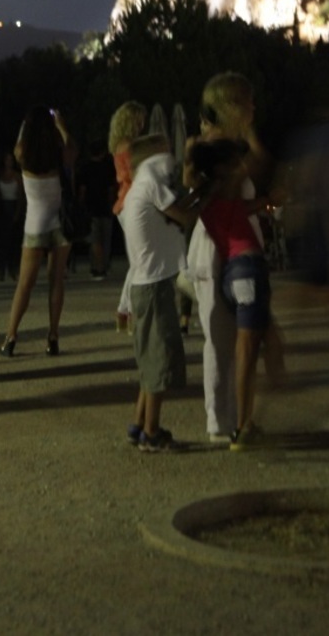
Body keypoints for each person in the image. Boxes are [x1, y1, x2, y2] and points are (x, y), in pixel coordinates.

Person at [183, 72, 274, 444]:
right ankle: (220, 424)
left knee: (236, 343)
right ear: (232, 106)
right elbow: (193, 184)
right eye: (247, 102)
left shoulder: (235, 148)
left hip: (234, 245)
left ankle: (236, 419)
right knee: (220, 342)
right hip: (215, 249)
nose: (253, 107)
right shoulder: (207, 149)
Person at [120, 133, 198, 451]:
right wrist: (202, 184)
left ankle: (139, 424)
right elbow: (185, 215)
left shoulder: (142, 182)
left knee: (150, 360)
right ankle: (152, 433)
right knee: (159, 360)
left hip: (146, 284)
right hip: (153, 287)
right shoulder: (152, 178)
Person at [0, 106, 73, 357]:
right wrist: (61, 125)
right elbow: (71, 147)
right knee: (56, 282)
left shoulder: (22, 154)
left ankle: (10, 337)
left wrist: (25, 123)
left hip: (35, 224)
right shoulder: (59, 153)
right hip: (60, 224)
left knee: (25, 285)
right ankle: (53, 336)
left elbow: (18, 142)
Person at [109, 101, 147, 330]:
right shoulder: (129, 146)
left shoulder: (120, 144)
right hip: (131, 203)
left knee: (137, 260)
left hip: (126, 203)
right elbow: (133, 174)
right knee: (139, 260)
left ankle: (125, 311)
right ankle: (127, 311)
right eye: (139, 119)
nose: (142, 124)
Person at [78, 139, 116, 280]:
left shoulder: (85, 168)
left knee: (94, 240)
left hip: (90, 208)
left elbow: (82, 189)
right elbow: (111, 189)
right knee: (106, 240)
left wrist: (81, 205)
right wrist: (111, 204)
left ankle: (95, 266)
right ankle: (104, 266)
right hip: (105, 208)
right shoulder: (107, 167)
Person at [0, 150, 23, 281]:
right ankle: (1, 269)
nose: (9, 162)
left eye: (11, 160)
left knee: (13, 241)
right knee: (2, 242)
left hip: (13, 206)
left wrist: (17, 212)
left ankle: (13, 268)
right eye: (7, 160)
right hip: (2, 208)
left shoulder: (17, 176)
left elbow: (21, 196)